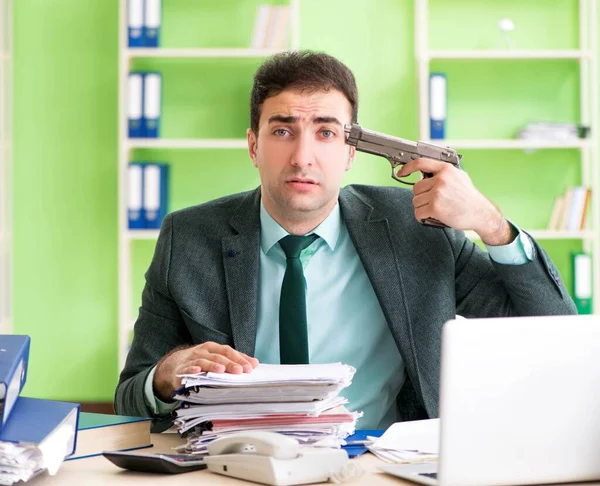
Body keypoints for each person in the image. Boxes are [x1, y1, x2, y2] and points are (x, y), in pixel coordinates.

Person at [114, 50, 577, 431]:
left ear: (351, 152)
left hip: (381, 465)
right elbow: (130, 396)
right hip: (242, 467)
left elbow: (555, 330)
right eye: (282, 130)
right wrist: (164, 377)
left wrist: (491, 224)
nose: (303, 156)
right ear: (254, 146)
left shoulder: (417, 228)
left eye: (326, 132)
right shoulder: (189, 237)